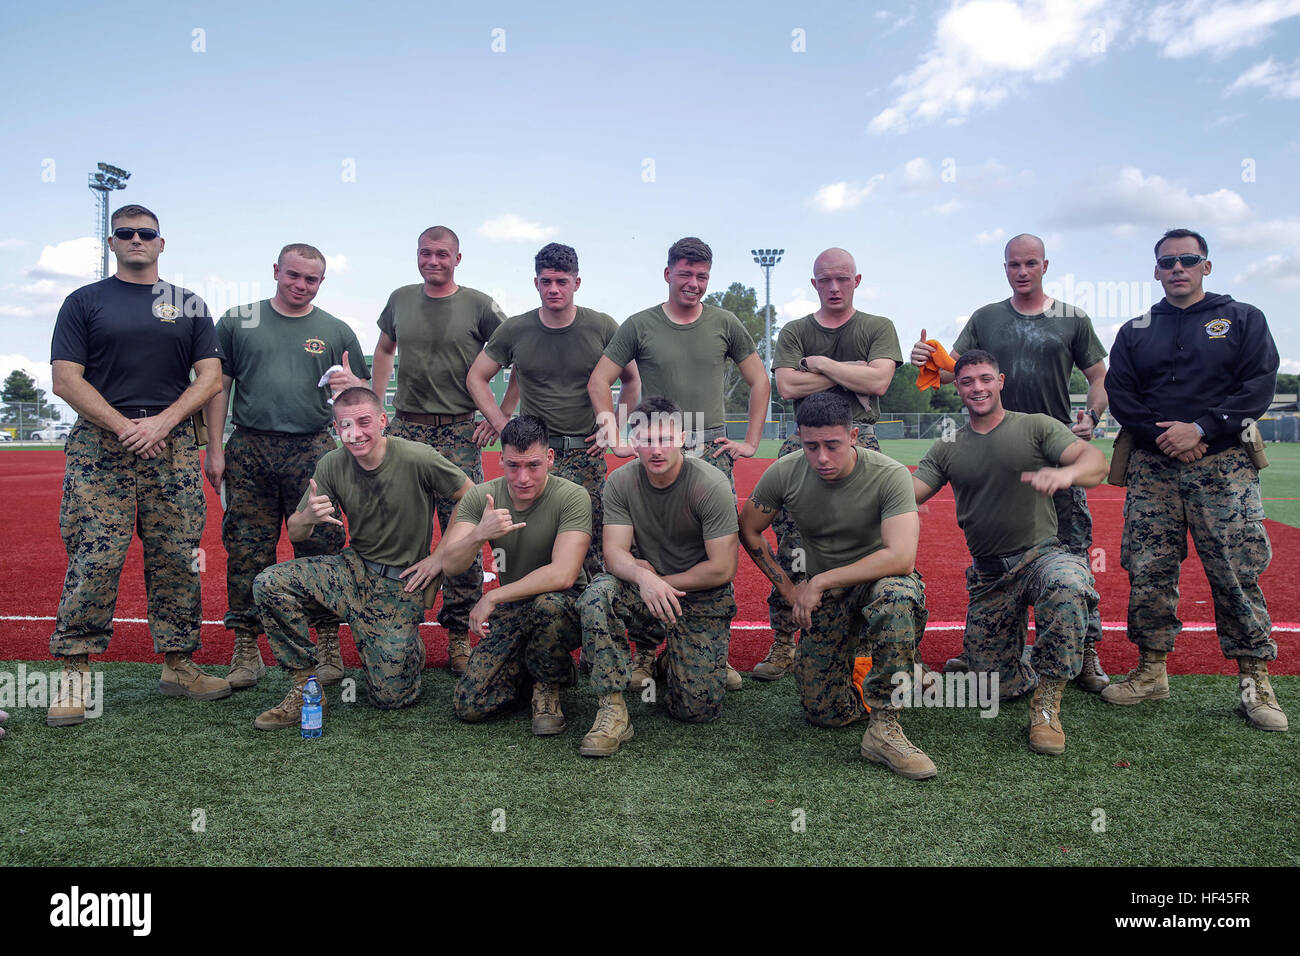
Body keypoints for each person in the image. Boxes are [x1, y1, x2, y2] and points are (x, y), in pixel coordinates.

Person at [46, 204, 228, 727]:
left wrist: (162, 424)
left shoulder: (188, 304)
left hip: (168, 447)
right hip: (102, 447)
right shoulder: (84, 302)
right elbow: (66, 379)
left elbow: (210, 377)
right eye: (125, 234)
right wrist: (126, 426)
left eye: (146, 234)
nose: (136, 240)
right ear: (112, 242)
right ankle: (75, 673)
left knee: (178, 557)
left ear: (161, 243)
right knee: (95, 558)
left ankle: (178, 664)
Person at [910, 234, 1111, 694]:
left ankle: (1083, 650)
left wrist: (1092, 417)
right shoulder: (986, 318)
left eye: (1031, 263)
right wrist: (926, 360)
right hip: (993, 445)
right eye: (1013, 265)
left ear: (1045, 265)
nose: (1022, 271)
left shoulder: (1071, 319)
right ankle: (1003, 644)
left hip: (1051, 441)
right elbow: (953, 371)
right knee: (1001, 546)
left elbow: (1099, 376)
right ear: (1005, 268)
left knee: (1071, 552)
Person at [1103, 228, 1286, 731]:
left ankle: (1254, 682)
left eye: (1188, 259)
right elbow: (1122, 394)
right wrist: (1167, 437)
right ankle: (1151, 672)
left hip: (1223, 467)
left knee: (1235, 571)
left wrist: (1203, 429)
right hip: (1153, 467)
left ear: (1207, 265)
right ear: (1156, 270)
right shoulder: (1136, 329)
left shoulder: (1243, 318)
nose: (1177, 268)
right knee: (1149, 570)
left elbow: (1258, 384)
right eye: (1167, 262)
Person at [587, 237, 767, 690]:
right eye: (685, 274)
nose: (693, 283)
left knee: (714, 550)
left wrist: (750, 441)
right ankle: (646, 654)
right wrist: (613, 431)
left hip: (708, 448)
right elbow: (600, 380)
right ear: (667, 273)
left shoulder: (725, 322)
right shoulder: (640, 324)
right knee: (647, 546)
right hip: (654, 444)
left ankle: (709, 650)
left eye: (702, 276)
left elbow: (759, 379)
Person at [912, 350, 1108, 754]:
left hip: (1042, 557)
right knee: (995, 687)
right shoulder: (949, 444)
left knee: (1068, 582)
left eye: (985, 379)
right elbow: (913, 491)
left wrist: (1066, 473)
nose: (977, 388)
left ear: (1001, 381)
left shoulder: (1036, 427)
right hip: (990, 576)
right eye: (967, 382)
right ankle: (1022, 660)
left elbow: (1095, 462)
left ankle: (1047, 706)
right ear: (958, 389)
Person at [251, 388, 473, 728]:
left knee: (390, 698)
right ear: (336, 428)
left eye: (364, 422)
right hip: (353, 570)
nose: (355, 434)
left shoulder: (417, 457)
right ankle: (305, 685)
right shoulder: (332, 463)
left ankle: (406, 649)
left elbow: (469, 496)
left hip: (400, 582)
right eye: (345, 425)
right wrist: (307, 516)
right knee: (269, 583)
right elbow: (296, 532)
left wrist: (439, 557)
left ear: (383, 421)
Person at [203, 243, 370, 691]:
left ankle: (328, 640)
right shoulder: (240, 321)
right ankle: (245, 646)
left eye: (311, 279)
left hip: (313, 450)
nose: (300, 285)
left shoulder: (335, 330)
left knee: (322, 545)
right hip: (250, 447)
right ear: (276, 270)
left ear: (321, 282)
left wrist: (354, 385)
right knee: (246, 548)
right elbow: (218, 385)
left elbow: (361, 396)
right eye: (293, 275)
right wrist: (215, 448)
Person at [740, 392, 933, 779]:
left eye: (833, 445)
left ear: (854, 436)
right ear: (800, 438)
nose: (822, 457)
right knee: (823, 711)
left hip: (879, 582)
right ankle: (893, 669)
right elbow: (749, 528)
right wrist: (788, 589)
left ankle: (884, 726)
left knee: (895, 595)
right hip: (829, 595)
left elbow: (901, 558)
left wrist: (819, 580)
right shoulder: (785, 471)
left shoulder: (890, 474)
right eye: (812, 446)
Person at [754, 247, 903, 682]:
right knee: (792, 543)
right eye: (825, 280)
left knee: (869, 539)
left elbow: (879, 380)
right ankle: (784, 640)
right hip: (803, 441)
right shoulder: (796, 330)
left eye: (842, 279)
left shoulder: (877, 327)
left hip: (862, 437)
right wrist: (849, 371)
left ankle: (868, 640)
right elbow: (785, 385)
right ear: (814, 283)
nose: (834, 287)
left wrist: (819, 365)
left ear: (856, 281)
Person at [370, 225, 514, 676]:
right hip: (407, 433)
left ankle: (457, 638)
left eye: (442, 254)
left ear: (458, 257)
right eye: (426, 254)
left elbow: (518, 353)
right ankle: (400, 629)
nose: (433, 261)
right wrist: (377, 409)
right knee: (403, 534)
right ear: (417, 255)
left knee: (464, 537)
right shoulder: (400, 299)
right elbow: (383, 348)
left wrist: (499, 418)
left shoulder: (480, 305)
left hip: (458, 434)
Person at [466, 242, 638, 581]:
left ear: (577, 282)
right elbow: (476, 377)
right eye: (546, 281)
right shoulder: (516, 329)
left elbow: (632, 380)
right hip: (534, 459)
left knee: (590, 550)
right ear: (536, 283)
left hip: (584, 456)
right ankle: (521, 617)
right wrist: (503, 427)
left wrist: (613, 429)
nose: (553, 289)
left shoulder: (602, 326)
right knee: (527, 544)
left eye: (562, 281)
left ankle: (590, 624)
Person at [577, 397, 739, 757]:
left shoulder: (709, 484)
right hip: (646, 585)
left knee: (695, 710)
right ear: (633, 441)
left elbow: (723, 568)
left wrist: (663, 583)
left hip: (698, 592)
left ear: (682, 437)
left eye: (665, 439)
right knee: (596, 595)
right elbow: (614, 552)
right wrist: (642, 576)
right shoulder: (620, 482)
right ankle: (613, 710)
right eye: (646, 440)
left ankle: (674, 659)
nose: (656, 449)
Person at [441, 416, 592, 734]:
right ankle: (547, 666)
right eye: (513, 466)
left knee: (547, 606)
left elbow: (564, 574)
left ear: (550, 458)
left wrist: (493, 595)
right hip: (514, 608)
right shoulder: (482, 497)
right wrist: (478, 534)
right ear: (501, 459)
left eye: (533, 465)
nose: (523, 477)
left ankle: (547, 686)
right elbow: (452, 564)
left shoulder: (572, 496)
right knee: (470, 705)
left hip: (564, 606)